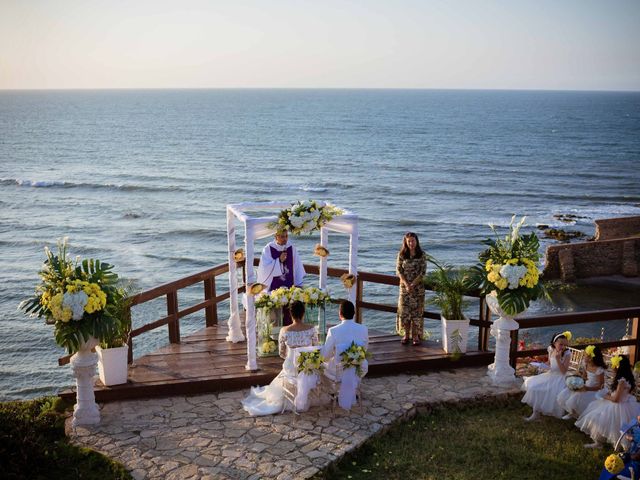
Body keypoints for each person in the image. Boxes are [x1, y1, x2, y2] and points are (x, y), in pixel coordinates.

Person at [241, 301, 318, 416]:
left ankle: (291, 396)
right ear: (303, 313)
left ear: (291, 314)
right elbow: (315, 348)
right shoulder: (312, 329)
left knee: (288, 370)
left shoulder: (284, 331)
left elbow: (281, 353)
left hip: (291, 367)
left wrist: (291, 356)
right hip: (307, 367)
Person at [576, 355, 640, 448]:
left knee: (599, 419)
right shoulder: (629, 378)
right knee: (611, 423)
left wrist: (605, 396)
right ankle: (602, 443)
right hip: (626, 404)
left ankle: (601, 443)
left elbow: (616, 399)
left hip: (618, 405)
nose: (612, 367)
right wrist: (611, 394)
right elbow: (624, 394)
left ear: (617, 367)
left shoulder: (621, 381)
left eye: (613, 365)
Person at [322, 300, 369, 410]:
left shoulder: (333, 331)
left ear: (340, 314)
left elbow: (325, 356)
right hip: (359, 368)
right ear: (354, 314)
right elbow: (365, 349)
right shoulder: (363, 329)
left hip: (338, 371)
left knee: (321, 366)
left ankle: (333, 392)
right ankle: (351, 389)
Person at [256, 229, 305, 326]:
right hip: (273, 287)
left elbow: (297, 266)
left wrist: (299, 284)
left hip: (290, 285)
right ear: (276, 237)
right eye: (282, 236)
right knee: (274, 318)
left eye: (286, 236)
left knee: (290, 314)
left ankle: (290, 330)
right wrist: (279, 261)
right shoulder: (268, 248)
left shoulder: (291, 247)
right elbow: (264, 269)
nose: (285, 239)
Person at [521, 331, 571, 421]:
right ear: (554, 343)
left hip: (560, 378)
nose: (563, 347)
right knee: (533, 386)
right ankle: (536, 413)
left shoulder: (567, 353)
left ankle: (536, 414)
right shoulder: (551, 349)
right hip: (550, 375)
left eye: (565, 345)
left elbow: (564, 371)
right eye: (561, 344)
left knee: (543, 390)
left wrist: (558, 359)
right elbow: (549, 363)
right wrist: (540, 365)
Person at [557, 345, 606, 420]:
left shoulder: (599, 370)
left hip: (595, 390)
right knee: (567, 392)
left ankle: (578, 414)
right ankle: (573, 413)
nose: (584, 357)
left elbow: (601, 386)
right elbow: (584, 377)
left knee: (577, 397)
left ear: (591, 358)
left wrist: (587, 388)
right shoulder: (586, 364)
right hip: (586, 386)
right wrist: (577, 382)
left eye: (586, 356)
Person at [396, 232, 427, 345]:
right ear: (405, 242)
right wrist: (406, 284)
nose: (411, 243)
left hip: (417, 289)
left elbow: (422, 272)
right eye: (409, 241)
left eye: (413, 241)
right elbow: (399, 270)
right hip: (404, 289)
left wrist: (413, 284)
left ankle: (415, 336)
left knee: (416, 313)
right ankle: (406, 335)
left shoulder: (422, 254)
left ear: (416, 241)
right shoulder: (402, 254)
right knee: (405, 313)